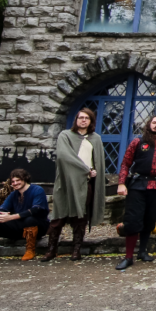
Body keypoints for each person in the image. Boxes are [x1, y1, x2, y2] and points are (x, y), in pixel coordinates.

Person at [114, 115, 156, 271]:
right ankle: (128, 257)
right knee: (133, 221)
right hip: (138, 186)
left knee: (150, 221)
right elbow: (125, 163)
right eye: (154, 123)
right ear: (149, 124)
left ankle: (142, 251)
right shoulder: (137, 142)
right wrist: (121, 183)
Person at [42, 107, 106, 261]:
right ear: (76, 120)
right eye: (80, 117)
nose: (83, 120)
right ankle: (51, 249)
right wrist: (86, 169)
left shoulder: (95, 138)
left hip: (85, 183)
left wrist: (93, 172)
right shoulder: (65, 135)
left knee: (80, 216)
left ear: (91, 121)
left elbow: (99, 161)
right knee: (58, 216)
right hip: (65, 181)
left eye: (86, 118)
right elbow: (65, 156)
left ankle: (76, 249)